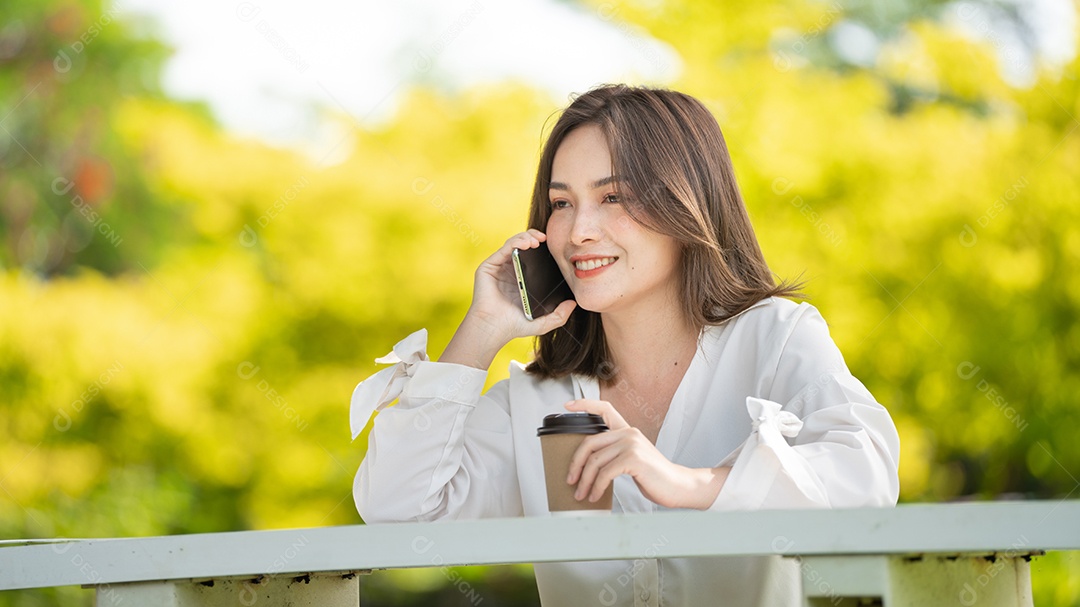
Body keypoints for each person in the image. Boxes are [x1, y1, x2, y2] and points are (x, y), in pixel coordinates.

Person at [349, 84, 900, 606]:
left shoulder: (775, 337)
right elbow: (401, 510)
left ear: (687, 205)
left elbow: (866, 480)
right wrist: (483, 329)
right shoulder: (537, 398)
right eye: (561, 204)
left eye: (612, 196)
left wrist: (688, 483)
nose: (579, 231)